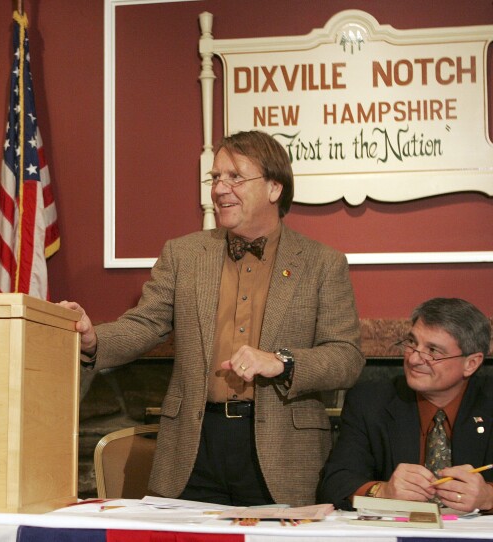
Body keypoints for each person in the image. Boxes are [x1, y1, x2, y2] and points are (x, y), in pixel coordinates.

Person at [61, 130, 364, 507]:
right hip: (193, 449)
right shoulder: (184, 255)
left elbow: (346, 357)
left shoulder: (322, 263)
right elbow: (145, 324)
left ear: (274, 188)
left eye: (235, 176)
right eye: (215, 177)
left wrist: (280, 362)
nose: (220, 188)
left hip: (283, 454)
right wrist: (94, 341)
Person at [318, 297, 493, 512]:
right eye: (412, 343)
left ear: (471, 363)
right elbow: (336, 483)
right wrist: (382, 492)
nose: (414, 359)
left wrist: (489, 497)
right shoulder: (370, 401)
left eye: (433, 351)